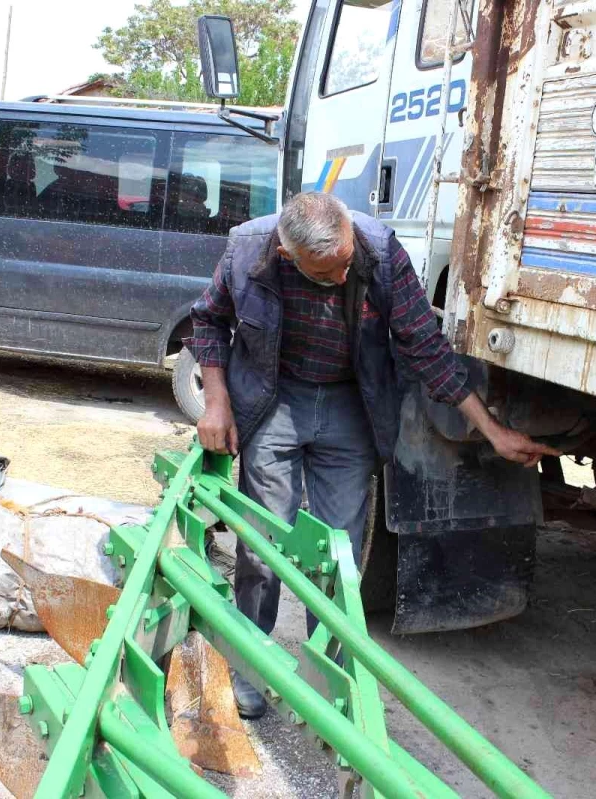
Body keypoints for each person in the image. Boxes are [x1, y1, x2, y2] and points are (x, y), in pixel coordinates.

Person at [185, 192, 556, 718]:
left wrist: (491, 430)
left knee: (340, 550)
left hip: (347, 404)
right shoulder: (249, 251)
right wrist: (216, 404)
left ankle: (326, 673)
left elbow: (424, 347)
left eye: (346, 262)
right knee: (261, 543)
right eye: (328, 271)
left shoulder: (377, 249)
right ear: (290, 256)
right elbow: (208, 321)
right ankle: (249, 664)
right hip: (273, 400)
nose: (343, 277)